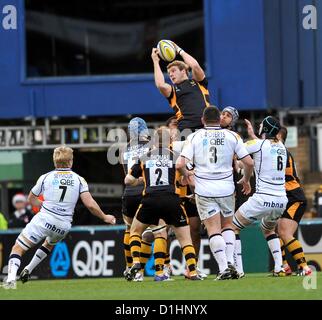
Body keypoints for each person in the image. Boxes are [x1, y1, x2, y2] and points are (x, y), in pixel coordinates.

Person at [3, 146, 116, 289]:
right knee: (49, 244)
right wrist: (105, 217)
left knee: (18, 248)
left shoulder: (46, 177)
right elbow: (90, 204)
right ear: (70, 161)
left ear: (55, 161)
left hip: (45, 218)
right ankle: (29, 269)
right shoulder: (79, 180)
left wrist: (44, 205)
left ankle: (11, 279)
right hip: (63, 225)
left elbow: (31, 199)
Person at [176, 107, 254, 280]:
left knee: (213, 229)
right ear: (219, 120)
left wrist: (186, 175)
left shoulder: (195, 136)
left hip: (204, 189)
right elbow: (249, 163)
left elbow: (180, 163)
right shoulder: (233, 136)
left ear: (203, 120)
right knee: (228, 227)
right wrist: (246, 180)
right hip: (227, 188)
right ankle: (230, 263)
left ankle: (224, 267)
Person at [125, 127, 201, 281]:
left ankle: (137, 263)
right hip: (171, 199)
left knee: (134, 231)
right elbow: (184, 178)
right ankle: (192, 271)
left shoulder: (144, 157)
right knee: (185, 239)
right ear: (170, 141)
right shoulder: (176, 157)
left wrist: (139, 180)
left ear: (153, 141)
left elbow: (128, 180)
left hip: (150, 199)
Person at [233, 116, 288, 276]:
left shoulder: (256, 144)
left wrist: (243, 174)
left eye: (262, 124)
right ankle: (279, 267)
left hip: (263, 198)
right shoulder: (282, 147)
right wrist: (253, 135)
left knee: (233, 227)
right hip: (280, 200)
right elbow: (263, 150)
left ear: (265, 129)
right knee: (268, 230)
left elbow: (240, 152)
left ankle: (239, 269)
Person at [151, 42, 210, 132]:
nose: (171, 75)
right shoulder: (173, 90)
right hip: (186, 129)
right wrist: (155, 61)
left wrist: (179, 50)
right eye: (169, 73)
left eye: (173, 71)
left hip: (206, 127)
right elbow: (160, 84)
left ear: (183, 71)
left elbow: (194, 66)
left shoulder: (198, 82)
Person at [276, 127, 311, 276]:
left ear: (278, 135)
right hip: (288, 196)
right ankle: (285, 266)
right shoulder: (279, 150)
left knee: (284, 232)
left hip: (294, 197)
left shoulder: (280, 151)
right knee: (279, 231)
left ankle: (304, 268)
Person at [120, 117, 151, 281]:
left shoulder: (124, 149)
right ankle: (141, 271)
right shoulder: (150, 146)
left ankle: (128, 267)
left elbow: (126, 175)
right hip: (145, 192)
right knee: (151, 232)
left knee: (129, 230)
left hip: (129, 193)